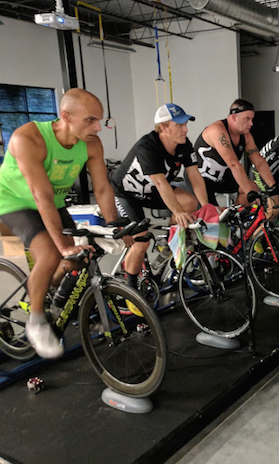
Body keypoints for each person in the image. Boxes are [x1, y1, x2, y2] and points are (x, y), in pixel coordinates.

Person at [0, 88, 133, 359]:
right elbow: (41, 195)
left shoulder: (91, 143)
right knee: (51, 254)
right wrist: (62, 245)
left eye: (99, 120)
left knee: (77, 259)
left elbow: (102, 188)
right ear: (66, 117)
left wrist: (114, 226)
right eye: (90, 120)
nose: (98, 127)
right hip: (13, 203)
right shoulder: (28, 138)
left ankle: (45, 288)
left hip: (54, 203)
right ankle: (36, 320)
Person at [111, 103, 208, 289]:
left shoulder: (183, 144)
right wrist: (177, 212)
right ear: (163, 127)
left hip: (152, 192)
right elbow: (161, 183)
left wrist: (205, 206)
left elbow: (194, 175)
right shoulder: (147, 147)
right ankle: (131, 289)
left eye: (186, 124)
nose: (186, 129)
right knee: (141, 241)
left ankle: (169, 246)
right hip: (126, 195)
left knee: (190, 201)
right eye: (179, 125)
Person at [190, 99, 276, 206]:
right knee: (213, 213)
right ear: (234, 117)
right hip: (200, 179)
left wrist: (273, 187)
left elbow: (259, 162)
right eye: (247, 119)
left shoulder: (246, 136)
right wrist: (249, 193)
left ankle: (235, 213)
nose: (251, 123)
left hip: (221, 178)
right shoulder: (217, 130)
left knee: (253, 188)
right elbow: (233, 164)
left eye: (252, 119)